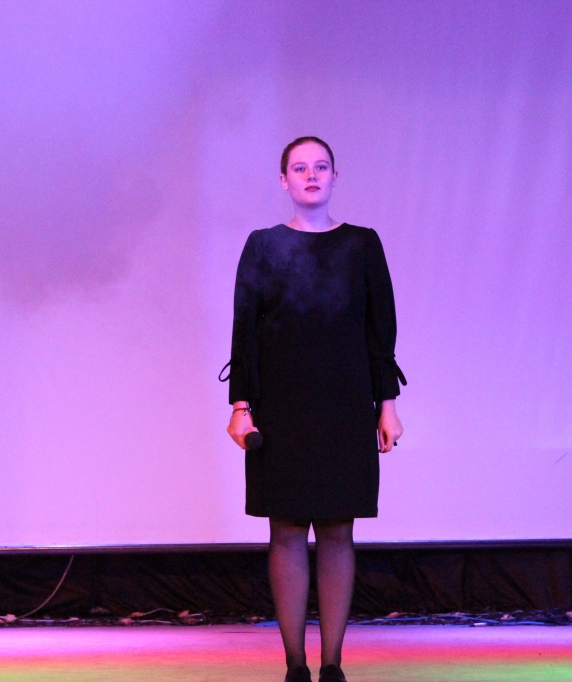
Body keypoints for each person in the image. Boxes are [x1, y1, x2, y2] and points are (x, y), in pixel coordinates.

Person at [220, 136, 405, 682]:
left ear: (335, 176)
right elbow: (244, 332)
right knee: (285, 528)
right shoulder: (263, 245)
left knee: (338, 528)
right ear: (284, 180)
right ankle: (295, 666)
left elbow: (380, 332)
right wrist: (241, 405)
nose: (311, 175)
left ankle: (332, 665)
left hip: (345, 403)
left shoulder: (362, 244)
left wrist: (387, 405)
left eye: (321, 166)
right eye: (299, 168)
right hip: (280, 405)